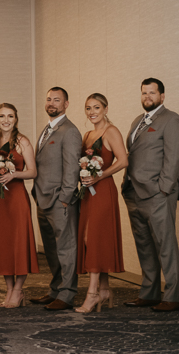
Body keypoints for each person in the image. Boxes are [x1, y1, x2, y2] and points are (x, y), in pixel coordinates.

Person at [122, 78, 179, 312]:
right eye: (144, 93)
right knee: (145, 245)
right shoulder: (138, 121)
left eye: (152, 93)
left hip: (158, 194)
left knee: (165, 245)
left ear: (162, 96)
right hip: (133, 192)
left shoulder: (171, 120)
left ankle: (172, 296)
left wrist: (163, 188)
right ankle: (149, 292)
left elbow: (175, 156)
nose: (147, 97)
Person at [30, 87, 82, 311]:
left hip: (60, 201)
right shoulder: (48, 128)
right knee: (51, 249)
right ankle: (55, 289)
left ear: (66, 104)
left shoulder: (69, 131)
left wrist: (65, 198)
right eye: (49, 99)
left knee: (66, 248)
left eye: (57, 100)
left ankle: (67, 294)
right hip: (42, 199)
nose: (51, 103)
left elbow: (72, 167)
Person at [75, 93, 127, 313]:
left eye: (96, 107)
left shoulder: (111, 131)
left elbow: (124, 160)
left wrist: (100, 175)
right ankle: (104, 290)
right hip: (88, 193)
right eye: (88, 108)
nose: (92, 112)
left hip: (103, 190)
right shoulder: (87, 134)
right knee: (92, 239)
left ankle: (93, 293)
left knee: (93, 238)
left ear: (106, 109)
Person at [0, 103, 39, 309]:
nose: (6, 120)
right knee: (4, 245)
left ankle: (18, 290)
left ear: (16, 119)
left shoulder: (22, 141)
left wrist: (14, 174)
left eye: (10, 116)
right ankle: (9, 290)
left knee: (19, 243)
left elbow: (33, 171)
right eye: (2, 116)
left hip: (17, 197)